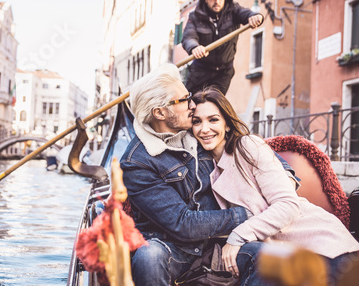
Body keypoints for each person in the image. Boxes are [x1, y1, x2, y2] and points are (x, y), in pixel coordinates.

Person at [119, 64, 296, 286]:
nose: (192, 105)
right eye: (183, 100)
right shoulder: (137, 163)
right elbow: (182, 224)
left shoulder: (199, 132)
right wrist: (246, 214)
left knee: (266, 257)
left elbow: (246, 144)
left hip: (221, 243)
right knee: (149, 256)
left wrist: (286, 177)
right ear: (160, 112)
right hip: (176, 250)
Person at [191, 87, 359, 285]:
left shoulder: (248, 146)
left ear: (228, 124)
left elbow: (287, 204)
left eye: (213, 120)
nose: (204, 129)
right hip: (278, 254)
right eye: (197, 121)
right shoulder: (203, 167)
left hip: (318, 243)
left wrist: (237, 236)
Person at [181, 0, 264, 95]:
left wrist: (255, 16)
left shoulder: (233, 10)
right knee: (188, 101)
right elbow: (188, 36)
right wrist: (195, 47)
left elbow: (246, 14)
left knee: (215, 104)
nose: (217, 1)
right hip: (200, 70)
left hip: (223, 73)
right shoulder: (195, 16)